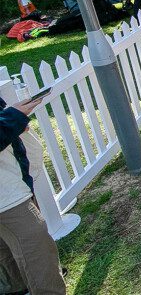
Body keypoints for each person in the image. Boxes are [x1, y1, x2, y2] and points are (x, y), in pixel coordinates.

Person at [0, 95, 67, 295]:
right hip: (6, 195)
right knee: (36, 245)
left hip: (9, 180)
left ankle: (17, 288)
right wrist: (13, 119)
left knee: (6, 247)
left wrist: (11, 121)